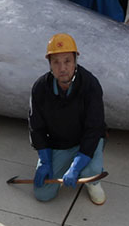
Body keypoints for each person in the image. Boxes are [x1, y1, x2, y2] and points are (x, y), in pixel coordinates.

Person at [29, 33, 107, 206]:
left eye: (67, 61)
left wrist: (76, 167)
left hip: (86, 140)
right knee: (42, 193)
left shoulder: (90, 85)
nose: (62, 68)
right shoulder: (40, 88)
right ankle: (68, 166)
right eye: (56, 62)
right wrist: (45, 160)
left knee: (91, 170)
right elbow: (36, 127)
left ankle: (92, 180)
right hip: (60, 143)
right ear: (49, 64)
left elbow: (94, 128)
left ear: (75, 62)